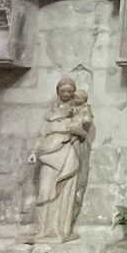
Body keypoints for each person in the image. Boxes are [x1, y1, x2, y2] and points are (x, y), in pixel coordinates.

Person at [31, 78, 94, 242]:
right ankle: (43, 229)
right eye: (63, 91)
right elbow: (41, 134)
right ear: (58, 91)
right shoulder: (50, 112)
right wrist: (33, 152)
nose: (66, 94)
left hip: (67, 152)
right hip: (48, 152)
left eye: (69, 91)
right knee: (45, 190)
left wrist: (77, 130)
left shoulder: (78, 110)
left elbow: (83, 131)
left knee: (64, 191)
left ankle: (60, 229)